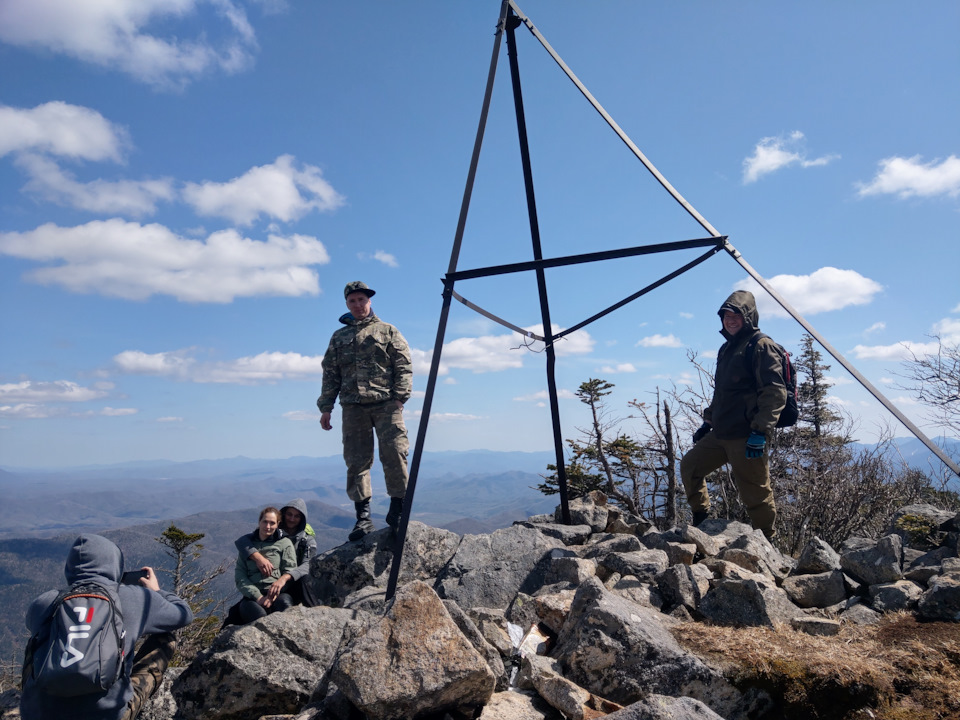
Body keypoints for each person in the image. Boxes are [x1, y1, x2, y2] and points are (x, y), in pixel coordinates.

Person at [20, 534, 193, 720]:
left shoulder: (44, 602)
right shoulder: (135, 598)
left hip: (39, 715)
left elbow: (32, 626)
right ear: (114, 565)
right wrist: (156, 591)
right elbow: (184, 614)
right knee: (165, 638)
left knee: (37, 640)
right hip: (107, 715)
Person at [680, 290, 787, 539]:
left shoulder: (762, 346)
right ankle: (702, 519)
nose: (730, 320)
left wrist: (760, 431)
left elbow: (774, 393)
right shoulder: (727, 348)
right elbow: (723, 392)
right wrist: (708, 421)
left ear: (748, 317)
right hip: (722, 432)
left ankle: (767, 542)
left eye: (736, 315)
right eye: (726, 316)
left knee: (755, 492)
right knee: (690, 467)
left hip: (748, 435)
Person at [317, 281, 413, 541]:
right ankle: (363, 519)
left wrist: (399, 398)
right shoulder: (339, 337)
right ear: (347, 304)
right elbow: (331, 373)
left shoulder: (387, 331)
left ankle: (397, 511)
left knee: (395, 454)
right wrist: (326, 407)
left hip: (386, 405)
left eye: (362, 300)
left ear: (370, 301)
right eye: (352, 301)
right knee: (356, 462)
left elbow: (403, 365)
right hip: (353, 407)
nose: (358, 305)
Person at [234, 498, 316, 606]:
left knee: (304, 579)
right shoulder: (270, 533)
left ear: (302, 519)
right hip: (264, 587)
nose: (292, 519)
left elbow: (308, 565)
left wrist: (285, 578)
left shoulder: (306, 541)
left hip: (291, 584)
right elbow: (242, 541)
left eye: (297, 516)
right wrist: (258, 558)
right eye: (289, 514)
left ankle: (312, 610)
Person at [234, 506, 297, 625]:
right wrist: (258, 597)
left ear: (278, 524)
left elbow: (290, 571)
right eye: (265, 522)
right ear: (259, 522)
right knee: (259, 618)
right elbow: (240, 577)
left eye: (272, 523)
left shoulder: (285, 543)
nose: (268, 526)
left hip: (278, 594)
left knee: (286, 610)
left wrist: (274, 592)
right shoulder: (247, 547)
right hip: (252, 598)